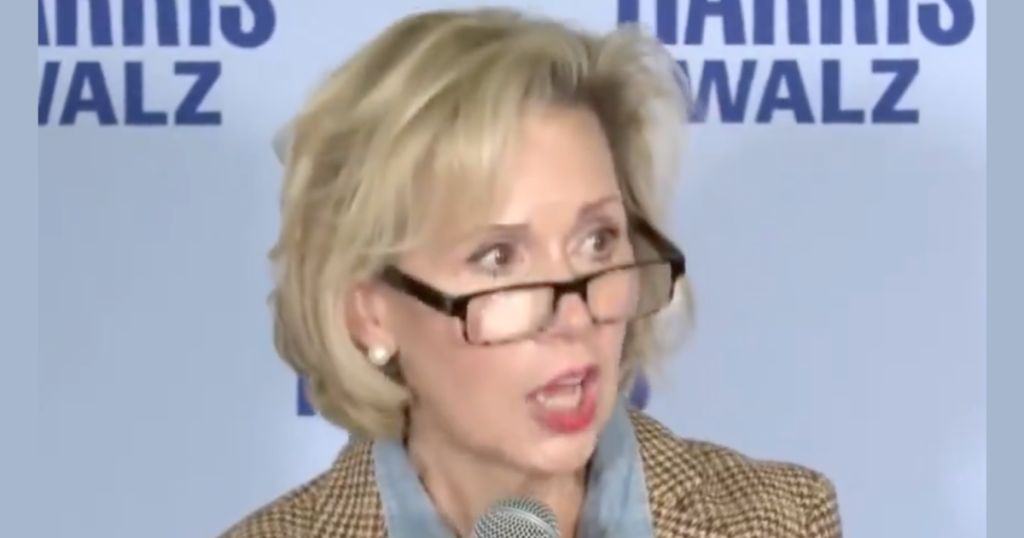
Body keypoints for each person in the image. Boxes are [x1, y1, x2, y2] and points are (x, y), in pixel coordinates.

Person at [223, 8, 842, 538]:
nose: (573, 316)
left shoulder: (780, 521)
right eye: (498, 258)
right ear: (370, 313)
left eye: (597, 241)